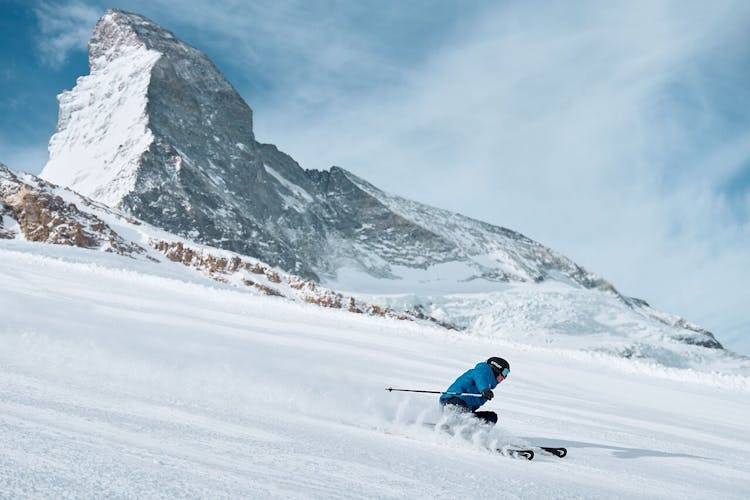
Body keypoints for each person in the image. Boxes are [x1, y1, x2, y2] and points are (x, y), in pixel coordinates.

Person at [439, 357, 510, 425]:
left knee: (491, 418)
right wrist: (484, 389)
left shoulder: (488, 384)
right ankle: (449, 424)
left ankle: (472, 432)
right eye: (505, 372)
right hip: (454, 400)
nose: (504, 377)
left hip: (465, 409)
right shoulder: (483, 370)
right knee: (460, 411)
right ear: (497, 368)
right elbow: (480, 378)